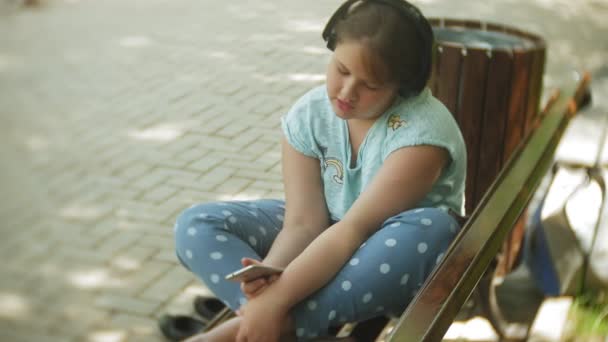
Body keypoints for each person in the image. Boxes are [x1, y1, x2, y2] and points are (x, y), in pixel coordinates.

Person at [173, 0, 467, 341]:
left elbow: (354, 229)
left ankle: (254, 327)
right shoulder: (310, 115)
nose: (346, 92)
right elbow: (302, 223)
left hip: (391, 255)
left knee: (433, 227)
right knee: (196, 225)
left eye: (370, 85)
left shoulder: (421, 136)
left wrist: (280, 297)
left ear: (401, 86)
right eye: (342, 69)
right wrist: (267, 280)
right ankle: (260, 317)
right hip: (325, 233)